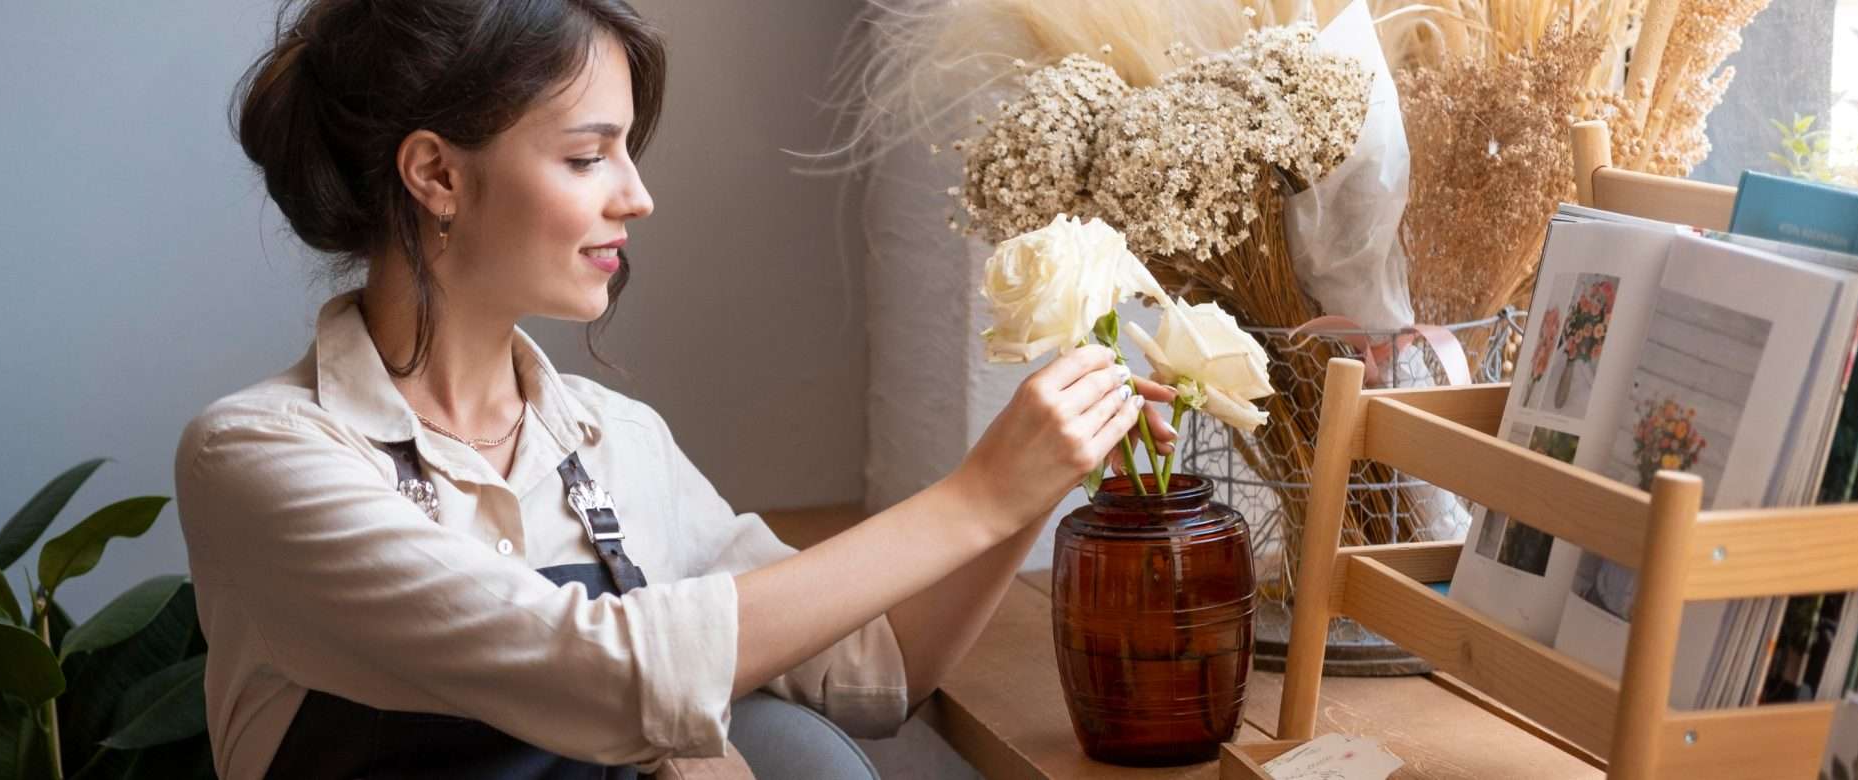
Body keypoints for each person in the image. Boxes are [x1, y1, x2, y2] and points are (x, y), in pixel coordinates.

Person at [173, 1, 1177, 777]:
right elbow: (603, 674)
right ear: (436, 174)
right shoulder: (260, 455)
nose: (638, 196)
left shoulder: (615, 442)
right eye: (586, 156)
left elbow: (870, 670)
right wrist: (975, 497)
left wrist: (1033, 480)